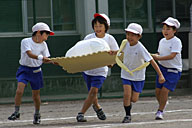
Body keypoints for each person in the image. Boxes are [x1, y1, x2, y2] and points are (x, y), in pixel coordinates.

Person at [8, 22, 55, 124]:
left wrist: (53, 61)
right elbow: (29, 54)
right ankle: (16, 112)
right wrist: (41, 58)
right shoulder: (26, 41)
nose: (47, 36)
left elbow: (45, 59)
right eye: (46, 33)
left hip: (36, 71)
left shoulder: (44, 45)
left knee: (36, 95)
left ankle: (37, 114)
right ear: (38, 32)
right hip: (24, 70)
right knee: (19, 91)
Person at [76, 13, 119, 122]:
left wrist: (111, 64)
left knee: (93, 91)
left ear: (106, 27)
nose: (98, 28)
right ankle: (98, 108)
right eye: (96, 26)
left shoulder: (110, 39)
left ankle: (81, 113)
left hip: (100, 71)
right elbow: (82, 51)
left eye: (100, 26)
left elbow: (116, 55)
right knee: (92, 93)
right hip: (88, 70)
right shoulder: (88, 38)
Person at [120, 23, 165, 123]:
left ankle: (129, 104)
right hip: (126, 73)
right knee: (126, 94)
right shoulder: (124, 43)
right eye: (128, 34)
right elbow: (118, 53)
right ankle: (127, 115)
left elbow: (151, 61)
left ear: (139, 36)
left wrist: (160, 75)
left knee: (134, 99)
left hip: (138, 76)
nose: (129, 37)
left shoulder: (141, 48)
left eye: (133, 35)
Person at [151, 17, 182, 120]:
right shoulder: (162, 41)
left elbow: (172, 55)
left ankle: (160, 111)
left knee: (164, 91)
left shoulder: (176, 41)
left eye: (168, 29)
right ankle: (163, 103)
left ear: (174, 31)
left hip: (173, 70)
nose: (165, 31)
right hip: (162, 69)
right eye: (164, 28)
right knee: (157, 92)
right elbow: (159, 53)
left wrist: (158, 57)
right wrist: (153, 55)